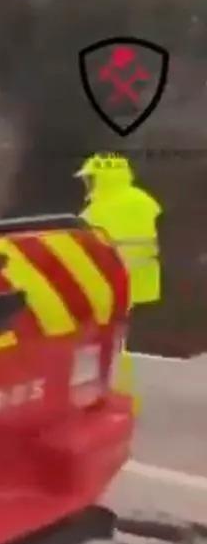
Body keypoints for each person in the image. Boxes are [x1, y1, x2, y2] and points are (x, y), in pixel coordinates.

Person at [75, 153, 162, 413]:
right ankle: (116, 393)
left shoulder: (95, 212)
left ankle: (114, 396)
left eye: (90, 179)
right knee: (118, 342)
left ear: (101, 178)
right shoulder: (147, 201)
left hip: (111, 287)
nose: (87, 184)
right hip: (141, 282)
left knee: (107, 345)